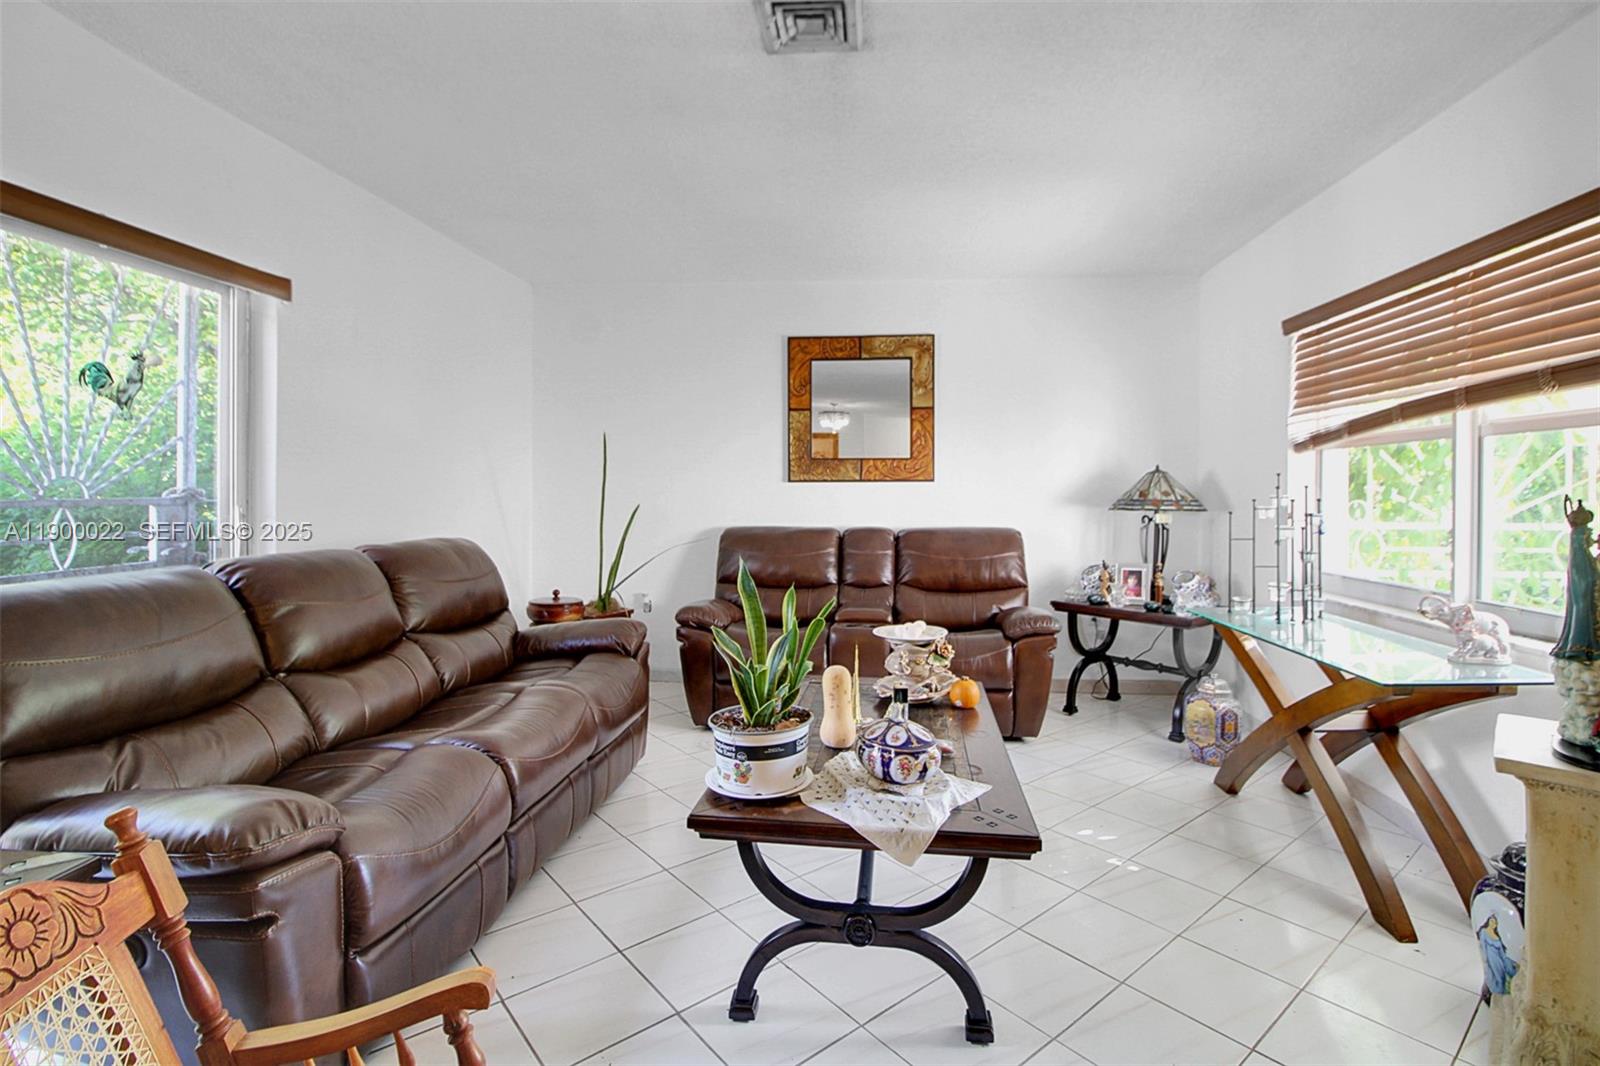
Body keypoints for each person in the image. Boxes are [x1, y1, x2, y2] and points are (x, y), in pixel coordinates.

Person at [1477, 912, 1519, 996]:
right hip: (1491, 960)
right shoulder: (1484, 932)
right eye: (1492, 921)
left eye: (1495, 922)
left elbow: (1502, 954)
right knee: (1494, 977)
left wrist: (1509, 962)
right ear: (1488, 921)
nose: (1493, 924)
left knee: (1501, 978)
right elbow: (1483, 946)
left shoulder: (1497, 936)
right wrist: (1486, 961)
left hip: (1499, 960)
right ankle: (1494, 993)